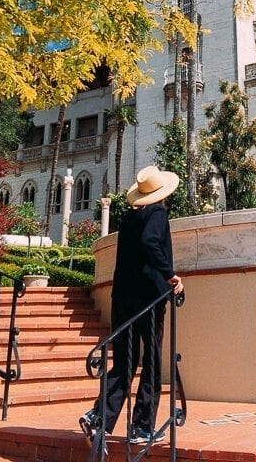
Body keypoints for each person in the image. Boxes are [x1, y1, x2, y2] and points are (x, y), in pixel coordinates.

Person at [80, 166, 184, 445]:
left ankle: (99, 415)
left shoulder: (128, 219)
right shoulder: (158, 214)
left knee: (124, 362)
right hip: (148, 300)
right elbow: (151, 242)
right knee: (151, 361)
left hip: (123, 298)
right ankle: (141, 427)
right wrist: (169, 274)